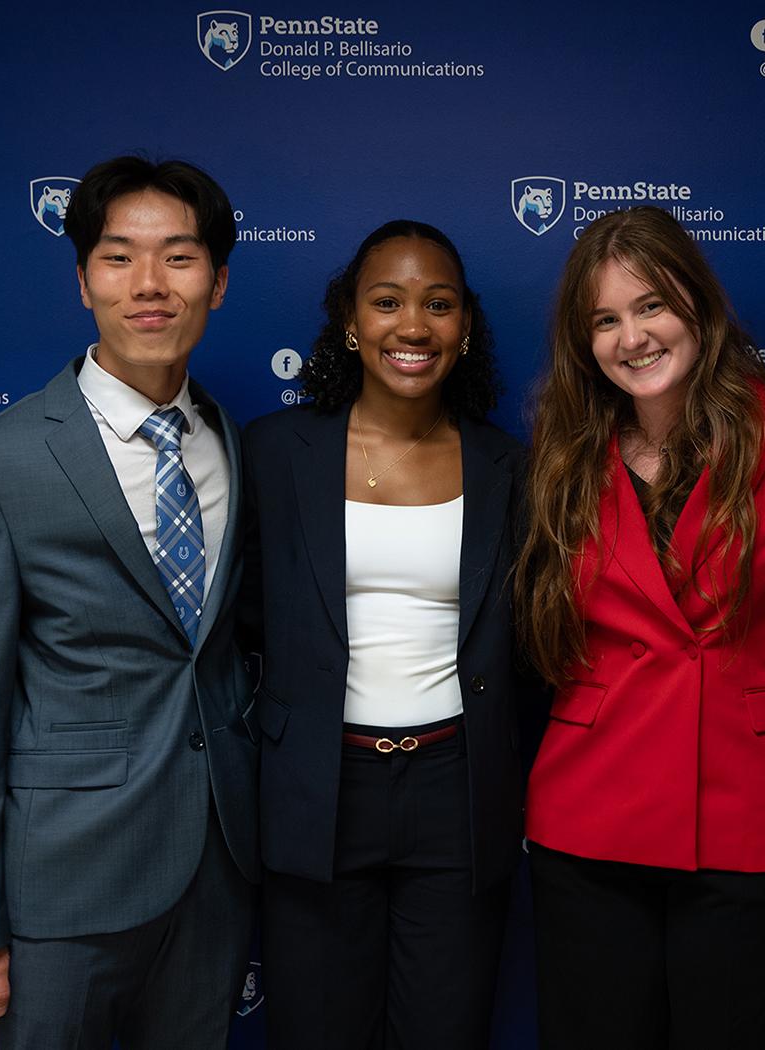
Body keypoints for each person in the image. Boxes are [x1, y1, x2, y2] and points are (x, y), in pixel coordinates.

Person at [0, 156, 258, 1047]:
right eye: (119, 258)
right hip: (62, 884)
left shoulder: (237, 444)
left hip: (218, 872)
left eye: (180, 258)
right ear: (83, 281)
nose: (150, 285)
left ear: (218, 283)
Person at [515, 206, 765, 1050]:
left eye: (651, 305)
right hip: (592, 810)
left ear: (698, 304)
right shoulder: (562, 447)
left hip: (754, 807)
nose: (633, 336)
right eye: (606, 320)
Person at [242, 220, 528, 1050]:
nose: (413, 326)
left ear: (465, 328)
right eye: (388, 302)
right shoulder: (274, 453)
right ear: (349, 320)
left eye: (437, 305)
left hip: (457, 790)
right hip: (317, 789)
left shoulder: (510, 466)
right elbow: (247, 613)